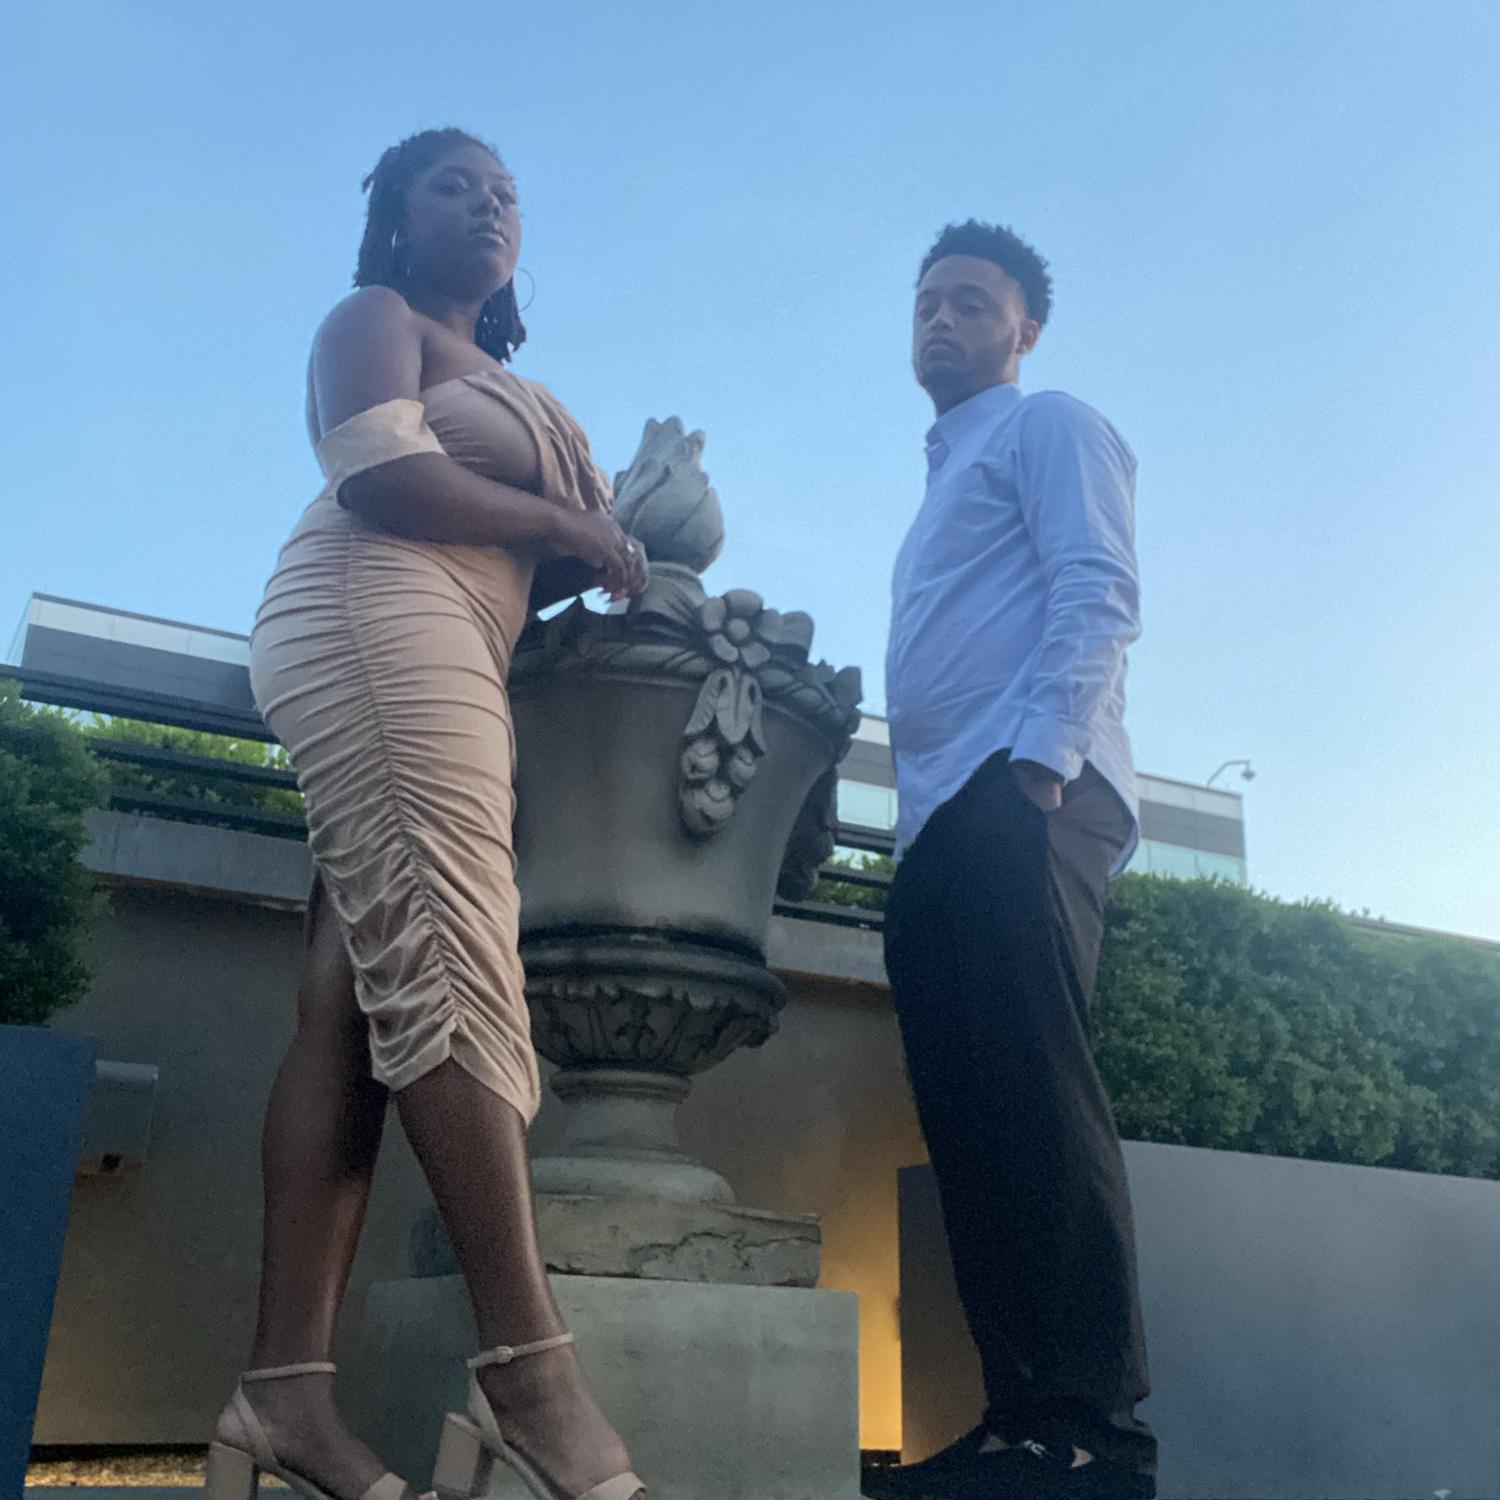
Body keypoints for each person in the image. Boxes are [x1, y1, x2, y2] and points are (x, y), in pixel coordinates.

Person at [210, 128, 648, 1500]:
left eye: (507, 190)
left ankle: (282, 1398)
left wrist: (601, 540)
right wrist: (573, 525)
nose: (488, 202)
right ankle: (531, 1379)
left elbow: (526, 555)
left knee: (349, 998)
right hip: (372, 610)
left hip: (458, 634)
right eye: (454, 183)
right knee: (454, 946)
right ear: (397, 217)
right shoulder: (377, 319)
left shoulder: (509, 380)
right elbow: (377, 473)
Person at [866, 222, 1155, 1500]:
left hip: (1025, 795)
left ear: (1024, 329)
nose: (942, 319)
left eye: (972, 303)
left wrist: (1040, 764)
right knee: (972, 1126)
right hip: (944, 822)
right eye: (928, 302)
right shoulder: (942, 480)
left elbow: (1099, 587)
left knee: (1034, 1100)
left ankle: (1093, 1432)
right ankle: (1020, 1422)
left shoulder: (1051, 426)